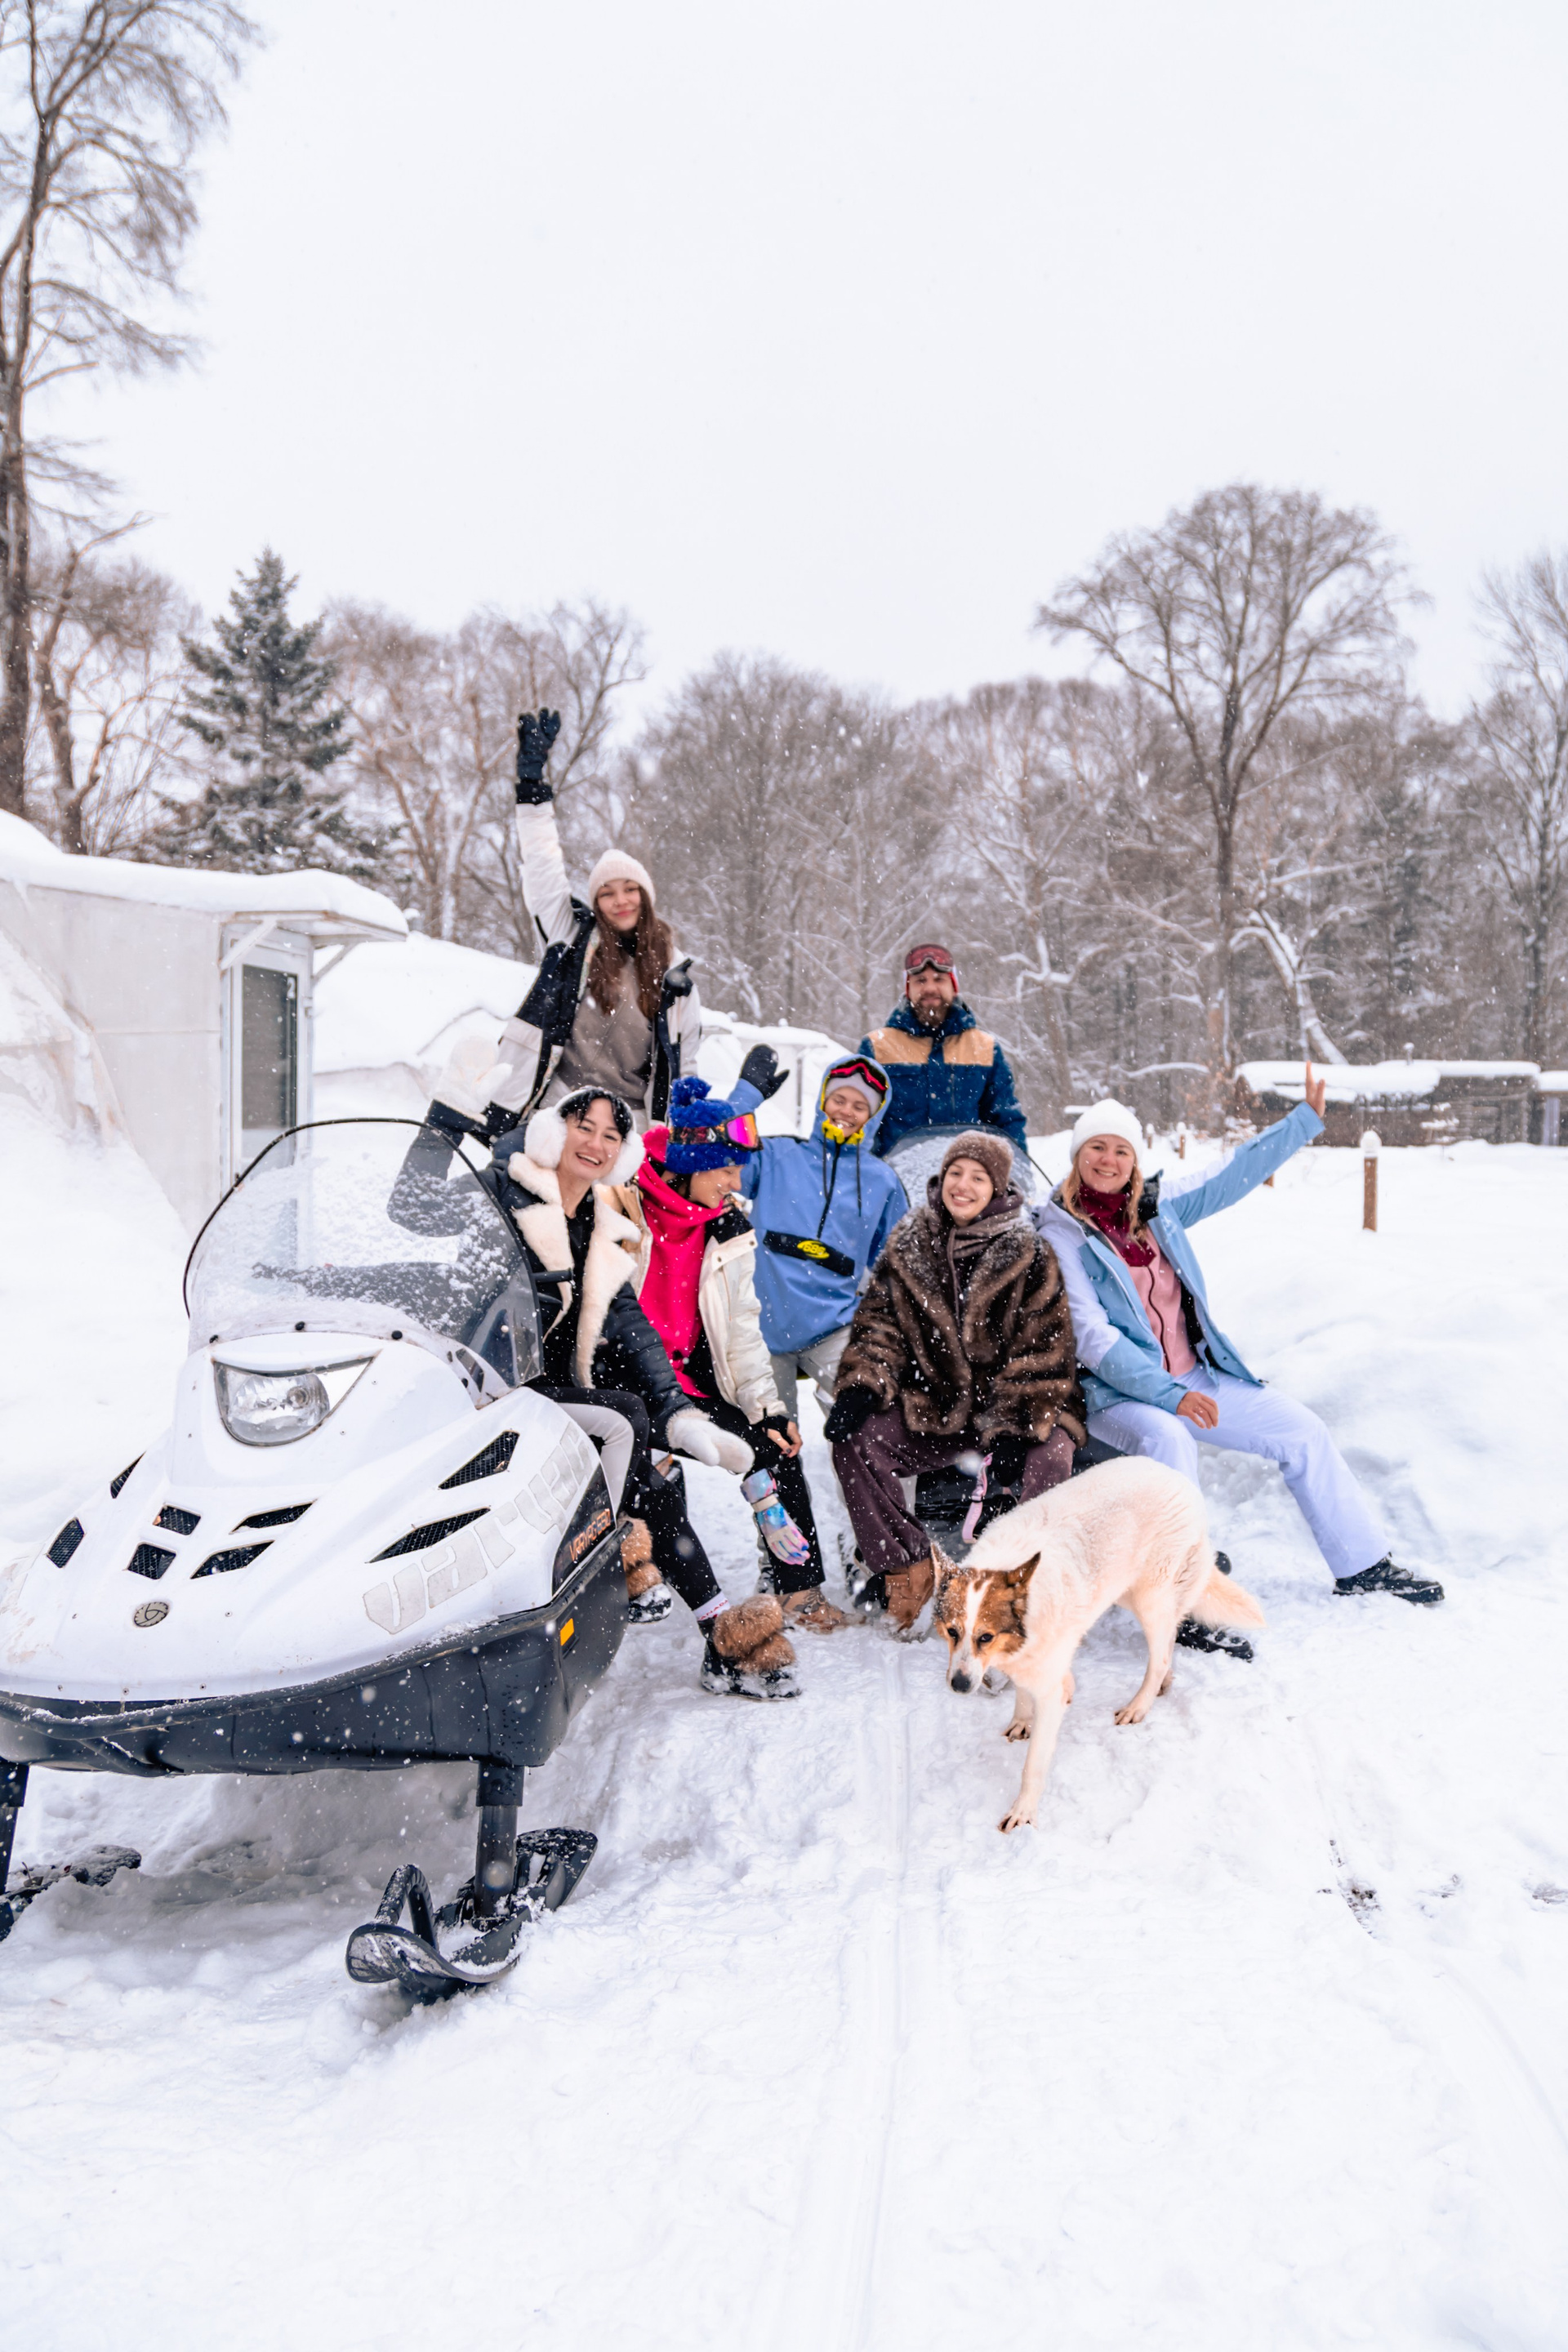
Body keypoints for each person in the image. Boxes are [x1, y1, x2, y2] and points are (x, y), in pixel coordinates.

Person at [1032, 1081, 1444, 1638]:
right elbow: (1093, 1337)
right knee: (1169, 1441)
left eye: (1121, 1150)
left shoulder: (1157, 1208)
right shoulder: (1061, 1231)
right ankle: (1181, 1600)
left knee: (1302, 1432)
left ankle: (1363, 1565)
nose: (1108, 1160)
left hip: (1193, 1377)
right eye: (1096, 1148)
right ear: (1077, 1156)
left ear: (1135, 1161)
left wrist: (1303, 1120)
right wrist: (1170, 1395)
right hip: (1115, 1395)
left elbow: (1230, 1176)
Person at [495, 1085, 804, 1699]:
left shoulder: (599, 1223)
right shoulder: (512, 1191)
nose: (596, 1143)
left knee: (662, 1459)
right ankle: (627, 1558)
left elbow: (632, 1324)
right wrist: (452, 1117)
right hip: (502, 1386)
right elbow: (419, 1214)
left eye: (612, 1135)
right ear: (555, 1131)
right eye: (585, 1127)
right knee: (630, 1430)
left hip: (572, 1388)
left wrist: (679, 1414)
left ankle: (724, 1630)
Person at [607, 1075, 852, 1634]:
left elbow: (741, 1326)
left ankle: (799, 1591)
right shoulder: (623, 1202)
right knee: (657, 1477)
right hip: (625, 1377)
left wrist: (768, 1410)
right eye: (727, 1169)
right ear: (693, 1165)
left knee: (777, 1445)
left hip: (688, 1377)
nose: (737, 1182)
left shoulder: (726, 1224)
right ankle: (675, 1594)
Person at [825, 1130, 1084, 1629]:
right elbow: (880, 1326)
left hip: (1021, 1405)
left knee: (1049, 1457)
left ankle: (1025, 1586)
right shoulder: (910, 1241)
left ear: (998, 1188)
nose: (963, 1186)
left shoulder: (1030, 1252)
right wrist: (862, 1384)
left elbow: (1043, 1352)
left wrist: (1012, 1428)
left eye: (978, 1178)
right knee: (856, 1438)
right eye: (956, 1173)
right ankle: (907, 1567)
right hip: (940, 1404)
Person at [428, 709, 702, 1139]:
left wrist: (680, 1137)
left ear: (646, 897)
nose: (620, 900)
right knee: (512, 1181)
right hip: (555, 1109)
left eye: (630, 889)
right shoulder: (574, 940)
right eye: (607, 893)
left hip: (626, 1125)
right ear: (596, 903)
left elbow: (685, 1064)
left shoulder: (675, 977)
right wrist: (532, 788)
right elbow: (543, 865)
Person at [728, 1049, 907, 1428]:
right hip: (762, 1329)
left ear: (874, 1116)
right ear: (823, 1100)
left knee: (871, 1422)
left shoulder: (882, 1181)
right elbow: (714, 1156)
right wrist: (745, 1097)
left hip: (835, 1329)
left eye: (860, 1106)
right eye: (839, 1099)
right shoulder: (777, 1155)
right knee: (772, 1440)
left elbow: (898, 1264)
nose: (846, 1111)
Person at [860, 944, 1027, 1160]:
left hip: (966, 1177)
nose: (930, 988)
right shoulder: (877, 1047)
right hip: (895, 1177)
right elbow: (861, 1122)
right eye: (920, 980)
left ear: (953, 986)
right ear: (908, 989)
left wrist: (1015, 1171)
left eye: (939, 979)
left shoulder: (985, 1048)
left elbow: (1007, 1122)